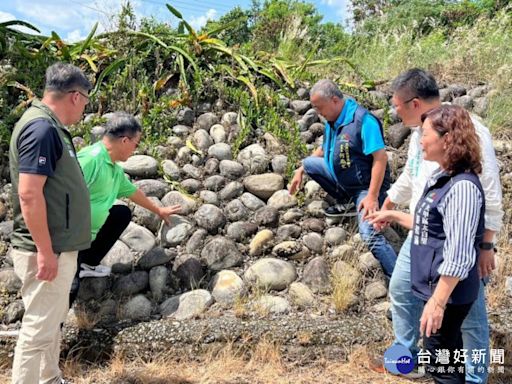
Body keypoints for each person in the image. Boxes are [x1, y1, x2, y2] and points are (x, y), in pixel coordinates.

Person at [380, 69, 503, 382]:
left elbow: (489, 189)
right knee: (402, 289)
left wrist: (486, 244)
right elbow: (411, 175)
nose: (395, 112)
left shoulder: (467, 131)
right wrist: (390, 204)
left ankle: (475, 377)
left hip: (457, 239)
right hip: (424, 231)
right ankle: (410, 358)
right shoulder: (423, 134)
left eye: (397, 105)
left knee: (469, 315)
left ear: (415, 102)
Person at [9, 62, 92, 384]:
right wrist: (45, 251)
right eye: (85, 100)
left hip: (56, 246)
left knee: (49, 322)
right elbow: (29, 194)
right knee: (38, 330)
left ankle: (50, 378)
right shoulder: (41, 128)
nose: (85, 108)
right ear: (74, 96)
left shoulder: (48, 127)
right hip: (49, 249)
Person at [69, 112, 180, 304]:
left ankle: (87, 262)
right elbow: (60, 195)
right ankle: (52, 331)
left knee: (121, 213)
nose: (135, 150)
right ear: (125, 141)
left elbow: (132, 192)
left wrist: (159, 211)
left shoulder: (113, 167)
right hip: (68, 240)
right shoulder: (90, 160)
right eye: (136, 144)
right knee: (69, 289)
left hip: (86, 236)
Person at [288, 79, 396, 277]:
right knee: (309, 163)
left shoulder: (363, 121)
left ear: (335, 100)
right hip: (343, 178)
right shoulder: (332, 119)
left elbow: (380, 158)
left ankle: (399, 277)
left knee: (369, 234)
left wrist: (372, 196)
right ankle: (347, 203)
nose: (319, 113)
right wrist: (300, 170)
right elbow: (324, 147)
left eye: (321, 108)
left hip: (365, 186)